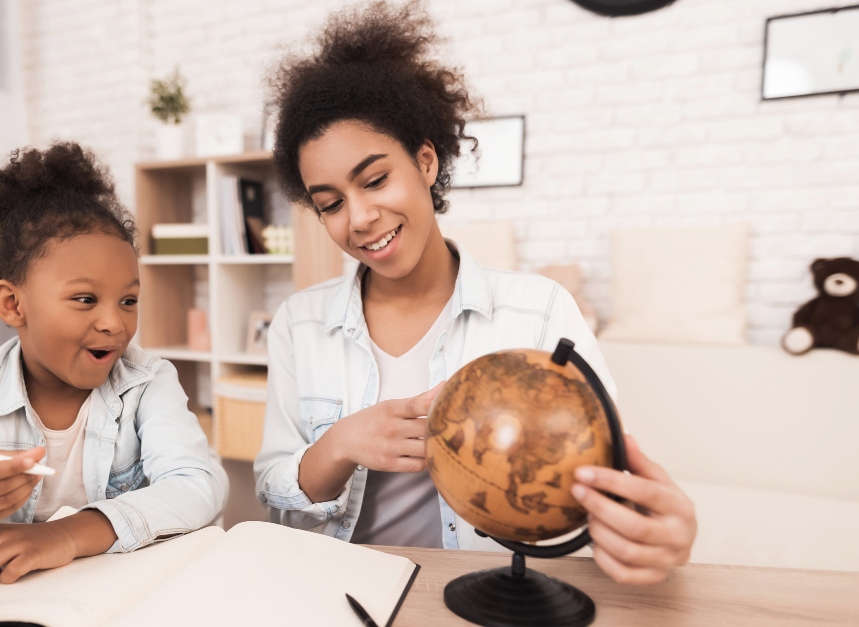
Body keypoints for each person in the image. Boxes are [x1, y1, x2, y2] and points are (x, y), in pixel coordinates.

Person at [253, 1, 696, 585]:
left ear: (426, 161)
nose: (359, 218)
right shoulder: (299, 323)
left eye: (376, 179)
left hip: (482, 593)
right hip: (341, 585)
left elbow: (604, 480)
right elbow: (275, 499)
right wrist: (340, 443)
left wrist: (656, 528)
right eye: (331, 204)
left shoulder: (539, 314)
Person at [0, 142, 226, 583]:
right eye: (86, 299)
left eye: (129, 300)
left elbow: (198, 487)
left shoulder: (148, 382)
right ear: (12, 304)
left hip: (129, 591)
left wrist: (67, 534)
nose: (114, 323)